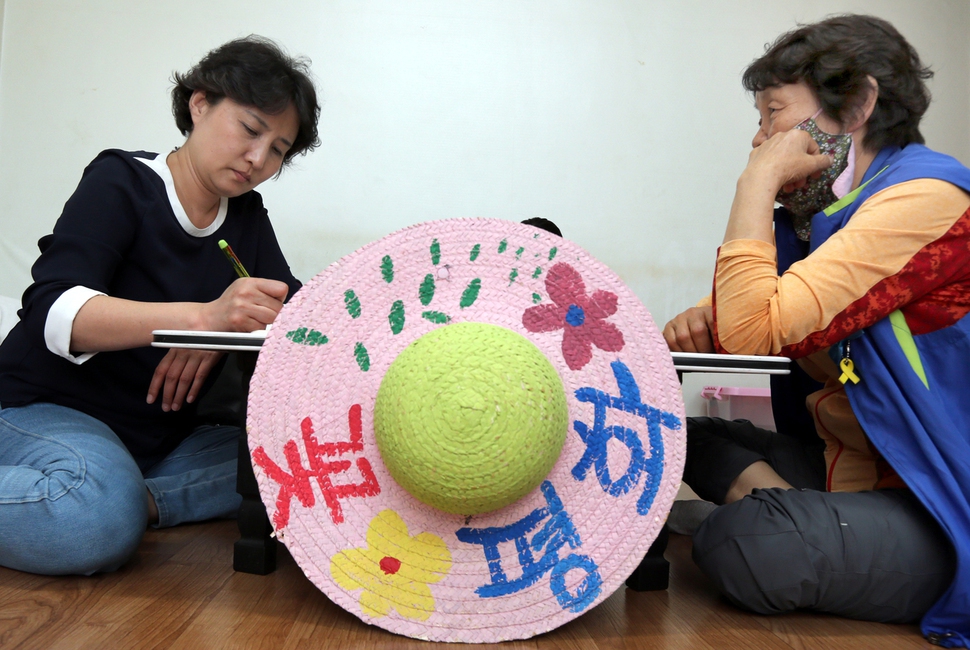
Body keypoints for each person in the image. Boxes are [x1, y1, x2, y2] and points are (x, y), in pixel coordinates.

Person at [663, 15, 970, 647]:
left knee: (740, 546)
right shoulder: (829, 218)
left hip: (934, 495)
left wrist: (757, 183)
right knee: (675, 439)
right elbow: (734, 322)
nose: (759, 140)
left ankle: (781, 521)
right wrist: (700, 320)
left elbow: (750, 330)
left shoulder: (926, 201)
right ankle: (786, 507)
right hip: (850, 465)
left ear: (856, 104)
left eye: (772, 114)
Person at [0, 36, 319, 576]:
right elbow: (53, 312)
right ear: (199, 104)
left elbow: (298, 314)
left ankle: (135, 500)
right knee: (91, 518)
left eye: (279, 150)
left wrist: (223, 339)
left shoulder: (246, 217)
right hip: (44, 411)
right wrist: (202, 320)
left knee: (304, 462)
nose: (258, 159)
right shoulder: (122, 181)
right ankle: (109, 501)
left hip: (158, 442)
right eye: (250, 129)